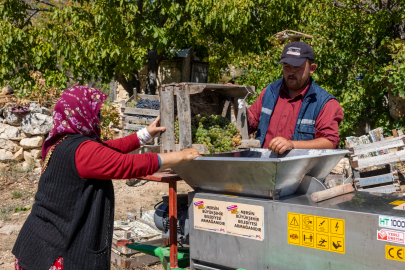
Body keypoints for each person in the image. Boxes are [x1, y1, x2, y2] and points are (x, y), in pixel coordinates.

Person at [12, 85, 200, 270]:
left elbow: (106, 150)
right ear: (82, 114)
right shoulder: (81, 151)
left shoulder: (61, 141)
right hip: (54, 252)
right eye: (97, 113)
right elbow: (126, 165)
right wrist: (181, 156)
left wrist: (145, 134)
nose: (100, 118)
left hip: (39, 244)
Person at [247, 41, 343, 154]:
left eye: (297, 67)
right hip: (263, 166)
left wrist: (292, 144)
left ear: (312, 68)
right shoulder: (269, 92)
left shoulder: (325, 103)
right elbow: (251, 124)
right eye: (286, 66)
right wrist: (236, 100)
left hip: (300, 170)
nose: (291, 72)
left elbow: (330, 142)